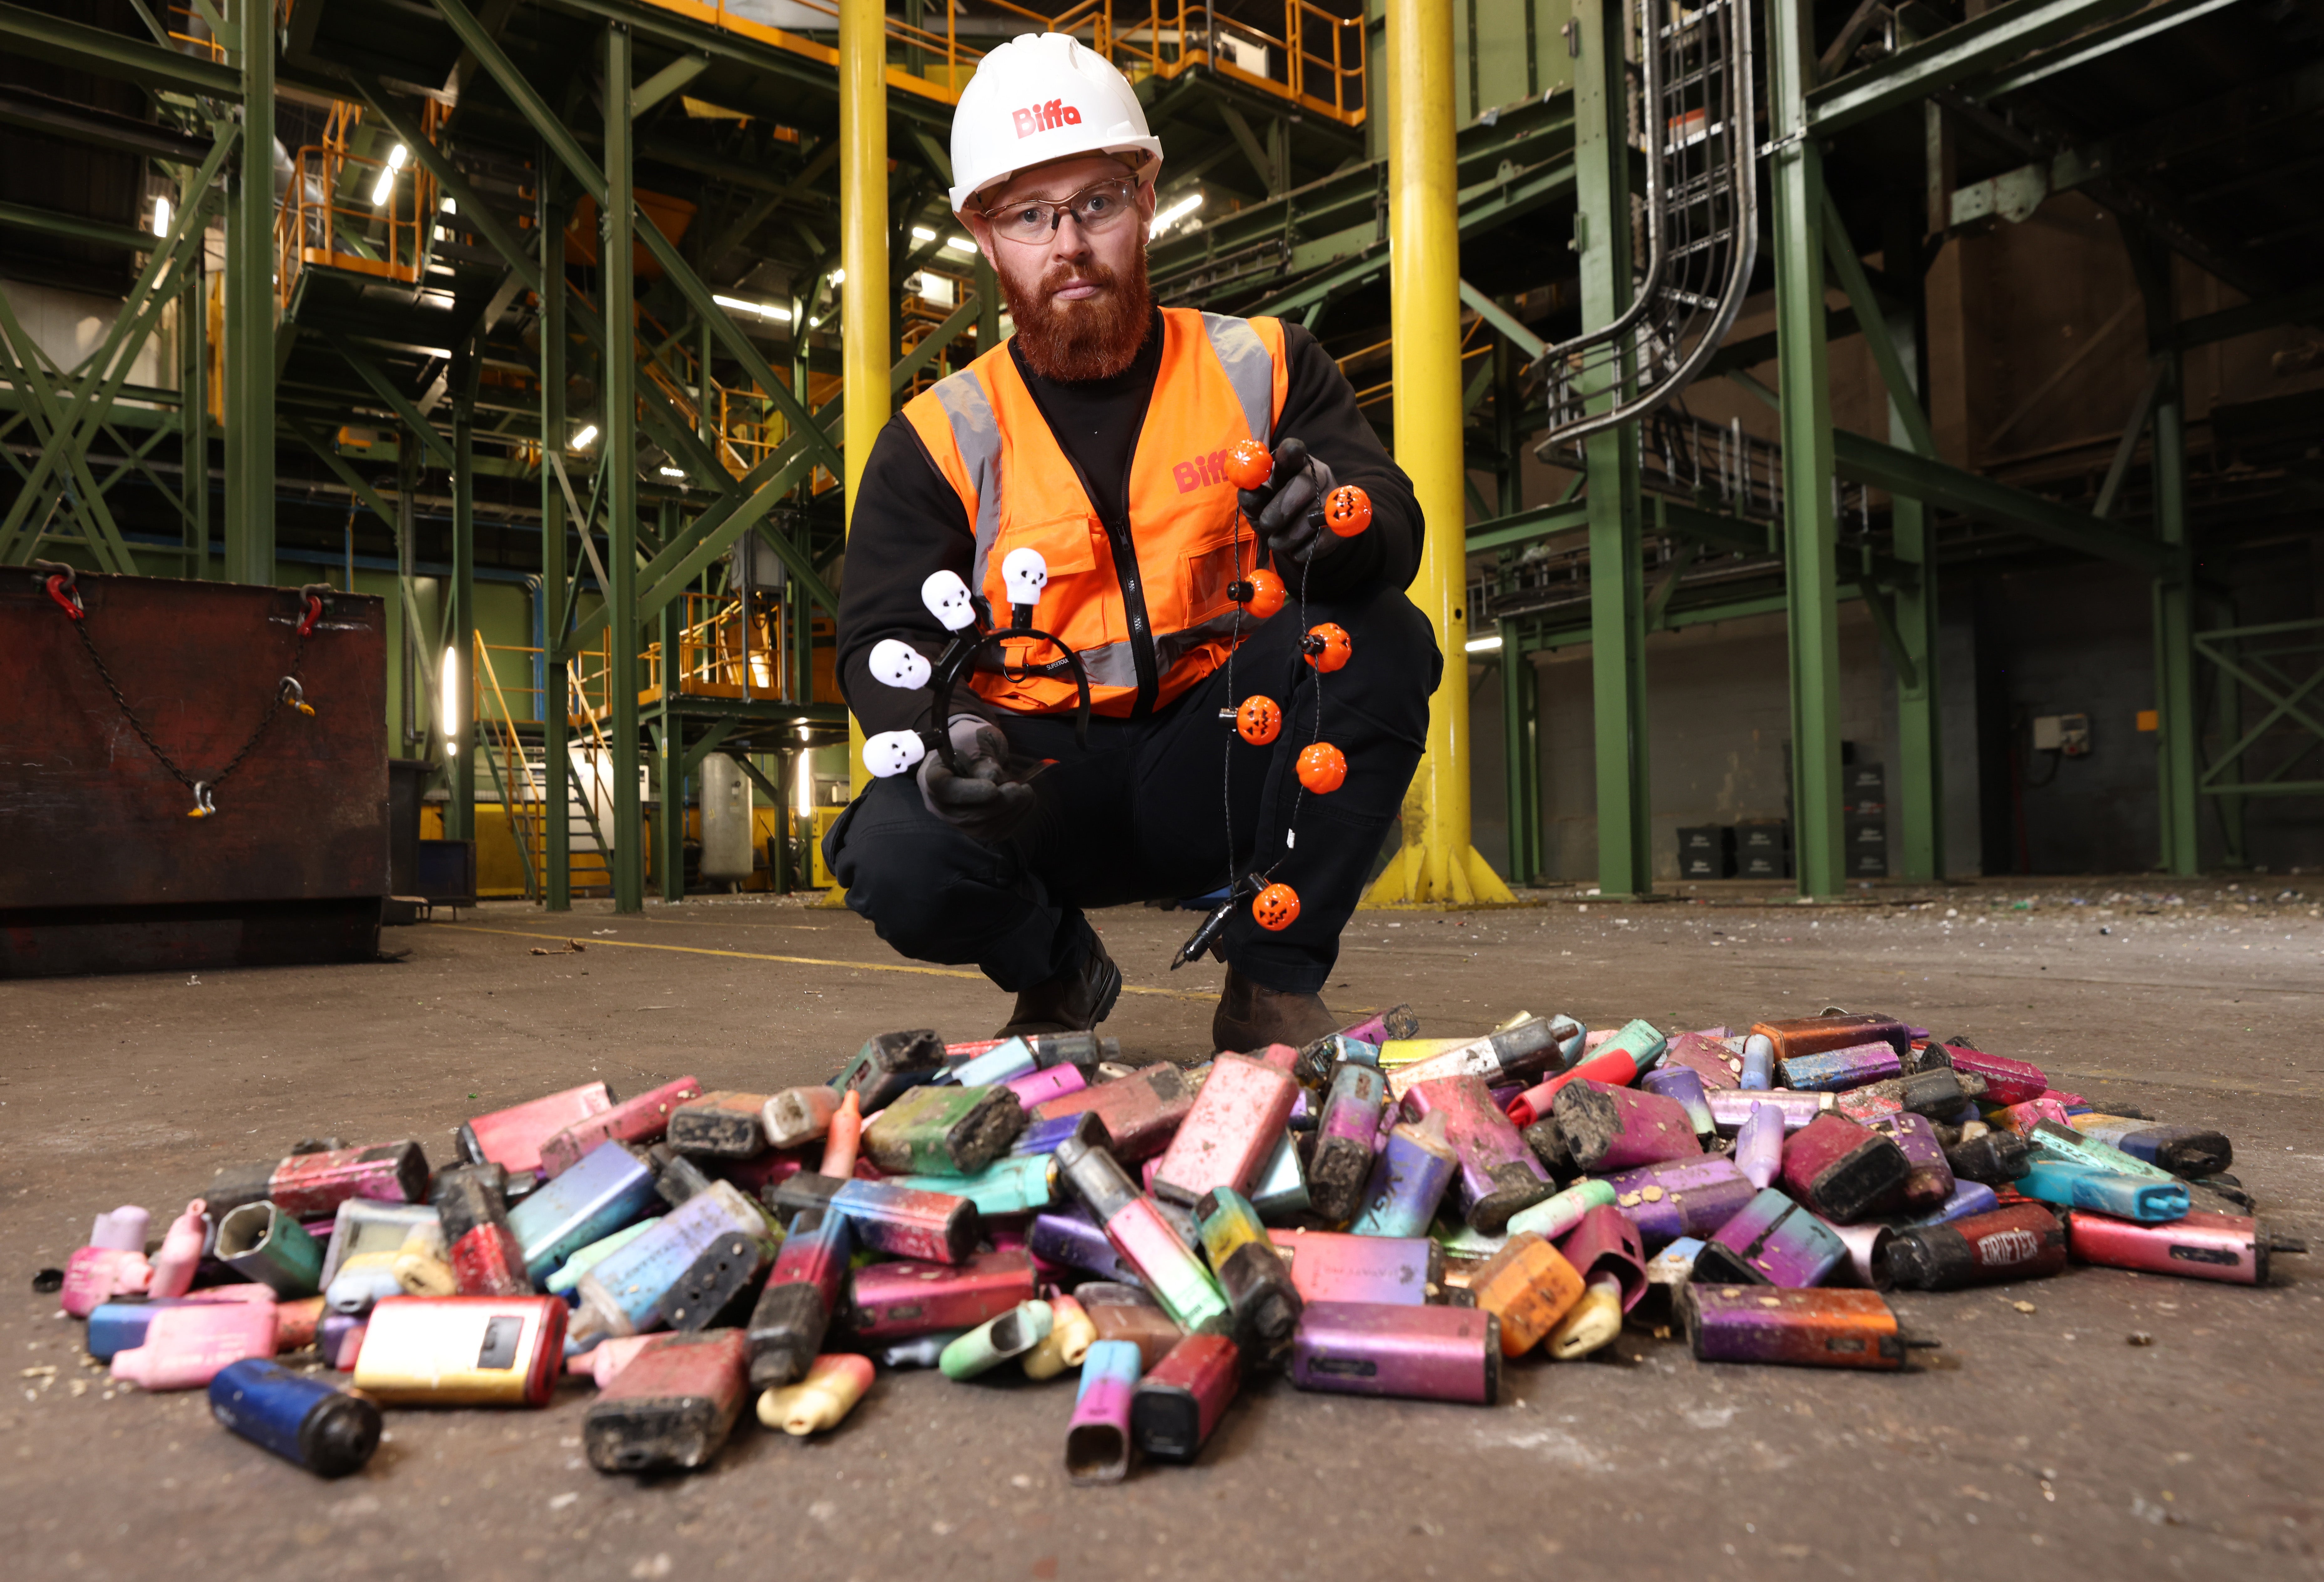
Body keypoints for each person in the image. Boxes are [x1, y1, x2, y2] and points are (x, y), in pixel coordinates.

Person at [827, 32, 1439, 1052]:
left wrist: (1336, 519)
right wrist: (948, 741)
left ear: (1146, 200)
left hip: (1222, 760)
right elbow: (878, 638)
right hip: (1035, 788)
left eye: (1097, 203)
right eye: (1031, 214)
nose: (1067, 243)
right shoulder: (938, 437)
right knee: (895, 852)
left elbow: (1392, 521)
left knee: (1380, 637)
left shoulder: (1269, 366)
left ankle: (1271, 978)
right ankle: (1056, 968)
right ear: (987, 238)